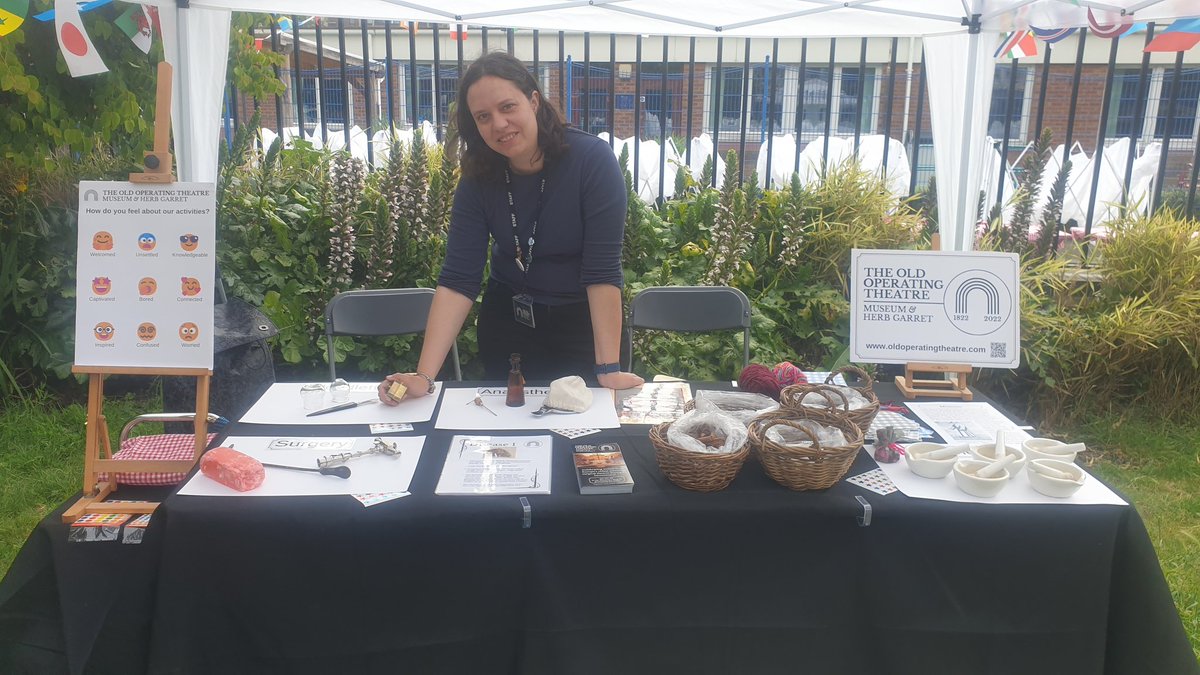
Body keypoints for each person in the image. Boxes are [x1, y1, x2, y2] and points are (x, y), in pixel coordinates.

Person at [379, 52, 644, 404]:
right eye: (483, 117)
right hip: (508, 324)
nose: (499, 124)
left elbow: (602, 271)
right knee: (508, 435)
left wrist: (608, 365)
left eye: (508, 107)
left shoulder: (592, 161)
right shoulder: (478, 177)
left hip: (582, 325)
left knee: (585, 437)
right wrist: (424, 376)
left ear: (533, 100)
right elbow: (459, 277)